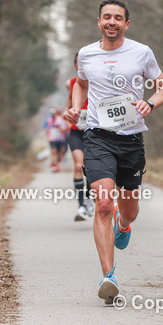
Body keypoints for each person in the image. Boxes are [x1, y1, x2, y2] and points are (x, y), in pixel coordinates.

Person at [64, 0, 163, 304]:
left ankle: (124, 225)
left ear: (126, 24)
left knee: (128, 211)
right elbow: (81, 85)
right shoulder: (86, 53)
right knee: (103, 204)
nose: (112, 22)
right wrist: (75, 106)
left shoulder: (141, 52)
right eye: (106, 17)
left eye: (118, 18)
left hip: (131, 139)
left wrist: (149, 103)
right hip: (97, 137)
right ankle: (108, 276)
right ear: (99, 21)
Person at [66, 51, 93, 221]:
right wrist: (66, 113)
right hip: (76, 131)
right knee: (78, 166)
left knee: (90, 169)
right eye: (79, 63)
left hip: (95, 132)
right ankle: (82, 205)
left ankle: (90, 199)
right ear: (76, 65)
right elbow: (68, 105)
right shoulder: (71, 83)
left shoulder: (98, 81)